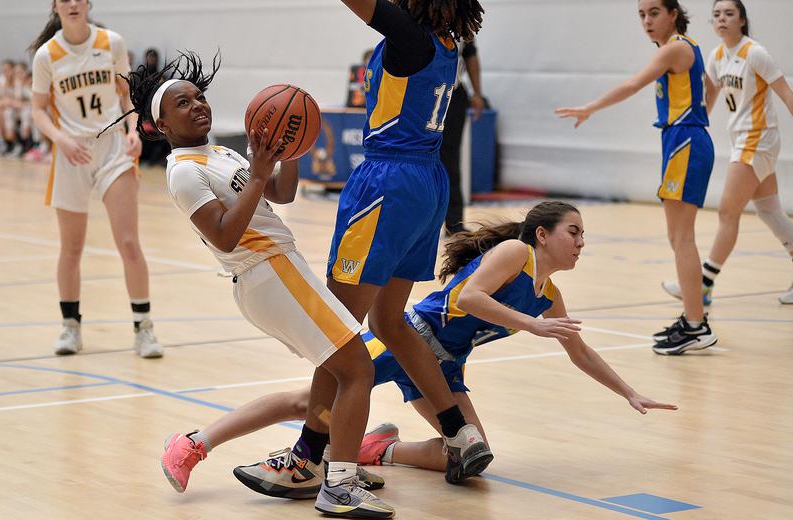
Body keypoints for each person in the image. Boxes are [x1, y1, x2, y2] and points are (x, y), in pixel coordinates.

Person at [159, 202, 675, 487]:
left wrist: (628, 392)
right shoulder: (516, 252)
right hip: (410, 339)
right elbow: (470, 298)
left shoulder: (549, 295)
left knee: (470, 457)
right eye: (574, 232)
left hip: (446, 368)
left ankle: (376, 449)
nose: (582, 242)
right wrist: (531, 325)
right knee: (308, 402)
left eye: (583, 235)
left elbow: (580, 352)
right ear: (542, 235)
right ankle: (194, 443)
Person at [111, 51, 395, 518]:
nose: (198, 105)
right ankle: (339, 485)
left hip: (280, 269)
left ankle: (326, 463)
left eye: (200, 97)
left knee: (337, 371)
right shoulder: (184, 171)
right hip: (266, 271)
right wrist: (260, 174)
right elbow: (223, 236)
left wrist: (291, 154)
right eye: (182, 104)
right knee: (357, 369)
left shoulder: (220, 152)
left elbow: (280, 194)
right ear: (160, 125)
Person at [274, 0, 491, 492]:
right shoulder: (446, 41)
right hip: (427, 185)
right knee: (389, 322)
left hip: (386, 184)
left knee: (336, 329)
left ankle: (310, 459)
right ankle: (459, 431)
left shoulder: (407, 36)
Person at [556, 0, 717, 356]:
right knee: (678, 239)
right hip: (681, 139)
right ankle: (693, 319)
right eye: (642, 14)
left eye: (654, 12)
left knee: (683, 239)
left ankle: (697, 325)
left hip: (685, 143)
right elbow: (708, 84)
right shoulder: (680, 47)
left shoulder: (675, 48)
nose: (647, 20)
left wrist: (590, 107)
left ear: (673, 13)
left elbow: (632, 84)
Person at [28, 0, 163, 358]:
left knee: (128, 243)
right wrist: (60, 138)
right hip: (71, 154)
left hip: (113, 151)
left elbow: (127, 97)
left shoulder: (111, 43)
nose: (73, 4)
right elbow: (38, 110)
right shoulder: (47, 56)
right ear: (55, 7)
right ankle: (70, 327)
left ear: (88, 3)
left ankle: (144, 328)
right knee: (71, 248)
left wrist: (134, 130)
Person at [661, 0, 793, 306]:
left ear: (742, 20)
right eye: (717, 14)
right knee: (769, 210)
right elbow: (707, 100)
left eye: (729, 13)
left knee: (727, 211)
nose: (722, 19)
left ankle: (702, 284)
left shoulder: (755, 52)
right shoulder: (717, 54)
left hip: (758, 139)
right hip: (741, 140)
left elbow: (786, 93)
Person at [441, 41, 486, 235]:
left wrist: (477, 93)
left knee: (450, 158)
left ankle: (454, 222)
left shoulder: (462, 21)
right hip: (423, 90)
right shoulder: (416, 16)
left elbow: (471, 55)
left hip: (454, 92)